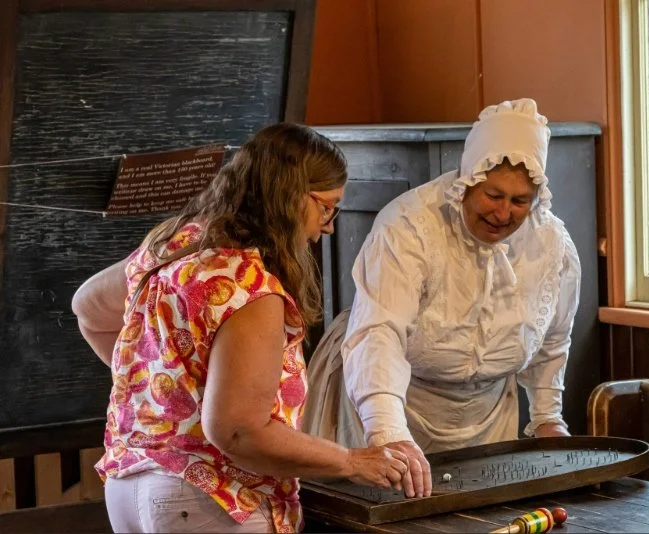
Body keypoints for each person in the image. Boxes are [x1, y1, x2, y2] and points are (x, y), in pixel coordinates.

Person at [71, 123, 409, 533]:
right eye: (327, 207)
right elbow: (238, 430)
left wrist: (172, 386)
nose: (329, 226)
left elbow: (88, 307)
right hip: (211, 498)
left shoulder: (174, 244)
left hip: (130, 486)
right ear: (293, 197)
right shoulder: (248, 284)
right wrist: (351, 461)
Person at [303, 99, 581, 500]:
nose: (504, 213)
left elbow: (553, 339)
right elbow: (379, 335)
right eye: (493, 195)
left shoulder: (551, 244)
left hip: (488, 419)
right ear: (469, 179)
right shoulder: (410, 228)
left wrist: (546, 417)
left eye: (520, 201)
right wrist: (387, 432)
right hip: (389, 401)